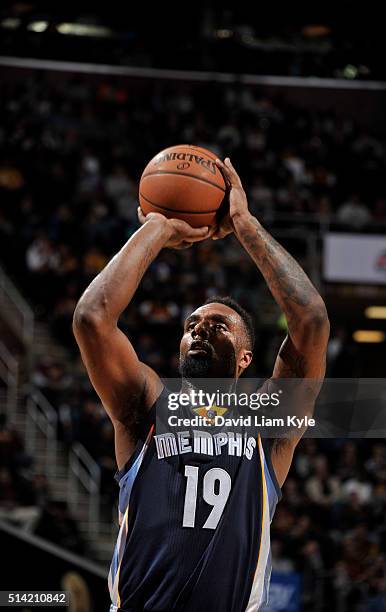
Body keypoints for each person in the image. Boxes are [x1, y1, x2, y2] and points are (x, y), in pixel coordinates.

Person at [73, 158, 330, 612]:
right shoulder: (145, 405)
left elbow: (310, 321)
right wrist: (157, 228)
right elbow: (92, 318)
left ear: (246, 357)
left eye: (219, 325)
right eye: (192, 323)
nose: (200, 328)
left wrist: (245, 226)